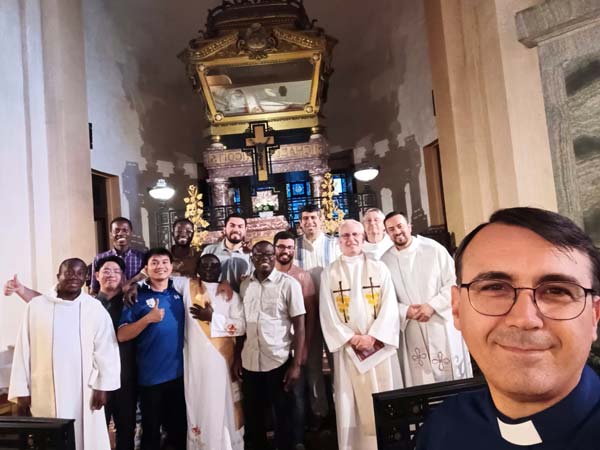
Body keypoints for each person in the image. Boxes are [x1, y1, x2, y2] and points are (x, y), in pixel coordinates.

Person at [417, 207, 600, 449]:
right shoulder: (443, 428)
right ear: (457, 308)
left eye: (556, 291)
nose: (524, 319)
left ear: (594, 316)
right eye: (495, 288)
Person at [4, 257, 137, 450]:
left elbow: (106, 349)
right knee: (50, 439)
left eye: (79, 273)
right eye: (68, 272)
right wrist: (21, 390)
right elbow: (24, 348)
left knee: (86, 438)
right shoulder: (37, 306)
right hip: (44, 388)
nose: (74, 277)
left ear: (85, 278)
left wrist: (103, 387)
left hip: (85, 389)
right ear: (58, 275)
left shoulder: (94, 308)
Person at [320, 220, 402, 450]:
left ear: (363, 237)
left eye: (355, 234)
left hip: (379, 349)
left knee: (382, 396)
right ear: (338, 241)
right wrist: (352, 339)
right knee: (350, 403)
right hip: (349, 352)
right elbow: (327, 312)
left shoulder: (379, 268)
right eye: (345, 236)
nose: (351, 239)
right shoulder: (329, 272)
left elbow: (390, 306)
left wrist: (373, 337)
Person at [382, 211, 472, 386]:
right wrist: (405, 311)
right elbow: (385, 298)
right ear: (387, 233)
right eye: (391, 229)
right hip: (412, 325)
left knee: (452, 379)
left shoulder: (433, 249)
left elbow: (454, 281)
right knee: (422, 382)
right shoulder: (385, 261)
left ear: (409, 227)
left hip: (440, 320)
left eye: (400, 226)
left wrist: (432, 306)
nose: (397, 231)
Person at [234, 241, 306, 450]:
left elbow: (299, 325)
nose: (264, 258)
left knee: (282, 416)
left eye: (268, 254)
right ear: (252, 258)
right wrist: (238, 357)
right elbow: (241, 325)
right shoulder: (245, 285)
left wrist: (296, 365)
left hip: (278, 360)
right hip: (250, 361)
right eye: (258, 255)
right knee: (253, 415)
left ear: (274, 256)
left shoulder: (289, 284)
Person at [118, 248, 187, 450]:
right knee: (151, 432)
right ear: (146, 268)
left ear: (171, 267)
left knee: (178, 431)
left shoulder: (180, 292)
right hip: (151, 378)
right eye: (154, 263)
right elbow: (122, 335)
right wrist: (148, 319)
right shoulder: (136, 297)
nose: (160, 267)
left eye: (165, 262)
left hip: (179, 376)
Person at [184, 254, 245, 450]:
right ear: (198, 269)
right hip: (196, 361)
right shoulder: (186, 287)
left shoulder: (231, 295)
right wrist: (134, 285)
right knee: (200, 403)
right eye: (205, 265)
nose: (209, 269)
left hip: (223, 362)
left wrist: (214, 318)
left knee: (225, 406)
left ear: (221, 270)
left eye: (214, 266)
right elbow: (159, 279)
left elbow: (241, 326)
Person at [294, 204, 340, 423]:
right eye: (305, 218)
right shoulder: (294, 247)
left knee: (337, 362)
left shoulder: (334, 244)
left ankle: (341, 408)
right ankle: (319, 412)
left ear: (321, 220)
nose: (309, 222)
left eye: (313, 218)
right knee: (312, 365)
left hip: (333, 314)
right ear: (300, 223)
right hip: (306, 315)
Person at [273, 230, 317, 449]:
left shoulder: (302, 276)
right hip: (273, 347)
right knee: (276, 396)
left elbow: (310, 315)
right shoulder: (266, 273)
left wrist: (305, 347)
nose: (286, 251)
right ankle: (280, 440)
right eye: (281, 247)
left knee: (298, 395)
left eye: (290, 247)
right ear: (274, 248)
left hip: (296, 346)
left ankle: (298, 440)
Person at [91, 217, 144, 293]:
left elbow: (146, 282)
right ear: (110, 234)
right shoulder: (99, 258)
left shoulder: (142, 257)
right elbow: (94, 289)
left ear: (131, 233)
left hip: (135, 299)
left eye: (125, 230)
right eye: (117, 231)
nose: (120, 234)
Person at [202, 213, 252, 292]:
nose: (236, 230)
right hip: (215, 296)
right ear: (224, 229)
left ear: (245, 230)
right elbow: (201, 276)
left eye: (240, 226)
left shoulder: (251, 254)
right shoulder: (210, 250)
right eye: (232, 226)